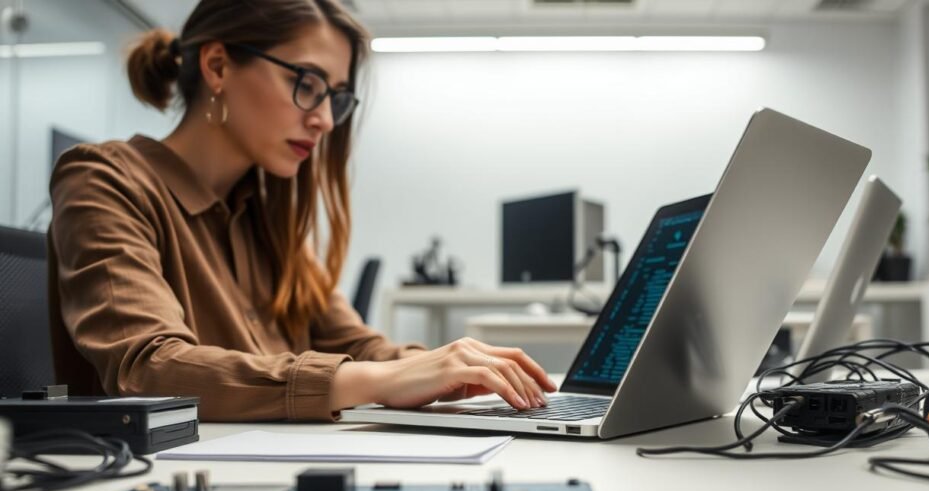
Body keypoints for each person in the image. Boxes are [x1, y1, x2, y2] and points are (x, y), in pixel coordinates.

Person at [48, 0, 556, 422]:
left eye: (335, 98)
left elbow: (356, 344)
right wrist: (381, 378)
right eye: (307, 84)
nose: (323, 120)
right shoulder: (103, 179)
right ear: (218, 66)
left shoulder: (268, 216)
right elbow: (150, 369)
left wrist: (450, 368)